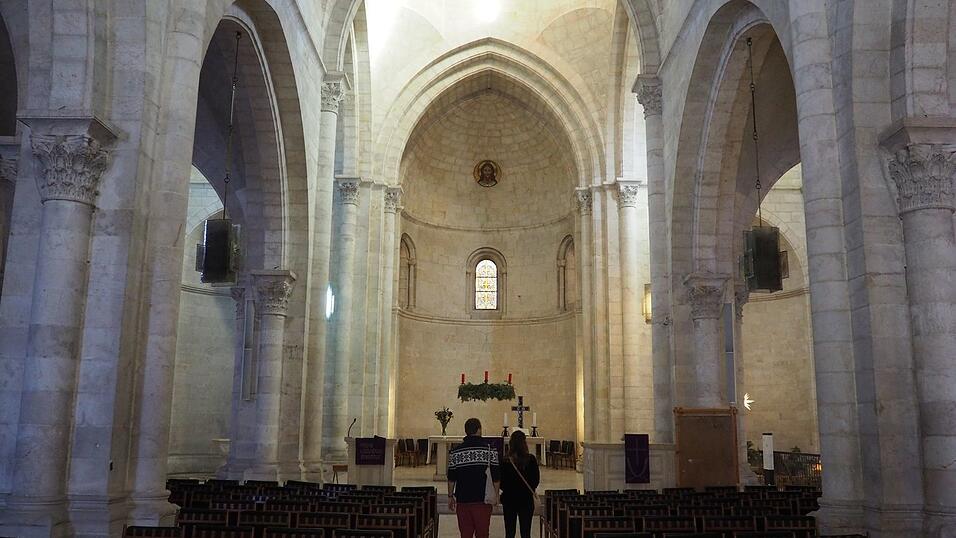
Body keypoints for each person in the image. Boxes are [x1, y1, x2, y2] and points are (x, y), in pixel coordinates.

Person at [448, 418, 500, 538]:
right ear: (479, 430)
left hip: (462, 499)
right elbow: (496, 476)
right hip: (482, 500)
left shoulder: (455, 452)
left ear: (466, 431)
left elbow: (451, 478)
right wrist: (496, 495)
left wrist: (450, 496)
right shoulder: (490, 450)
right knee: (482, 534)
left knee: (465, 534)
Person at [499, 430, 540, 538]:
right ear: (524, 443)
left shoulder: (505, 461)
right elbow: (536, 480)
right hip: (526, 499)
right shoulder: (531, 459)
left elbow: (501, 482)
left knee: (509, 532)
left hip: (509, 499)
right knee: (526, 532)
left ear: (511, 443)